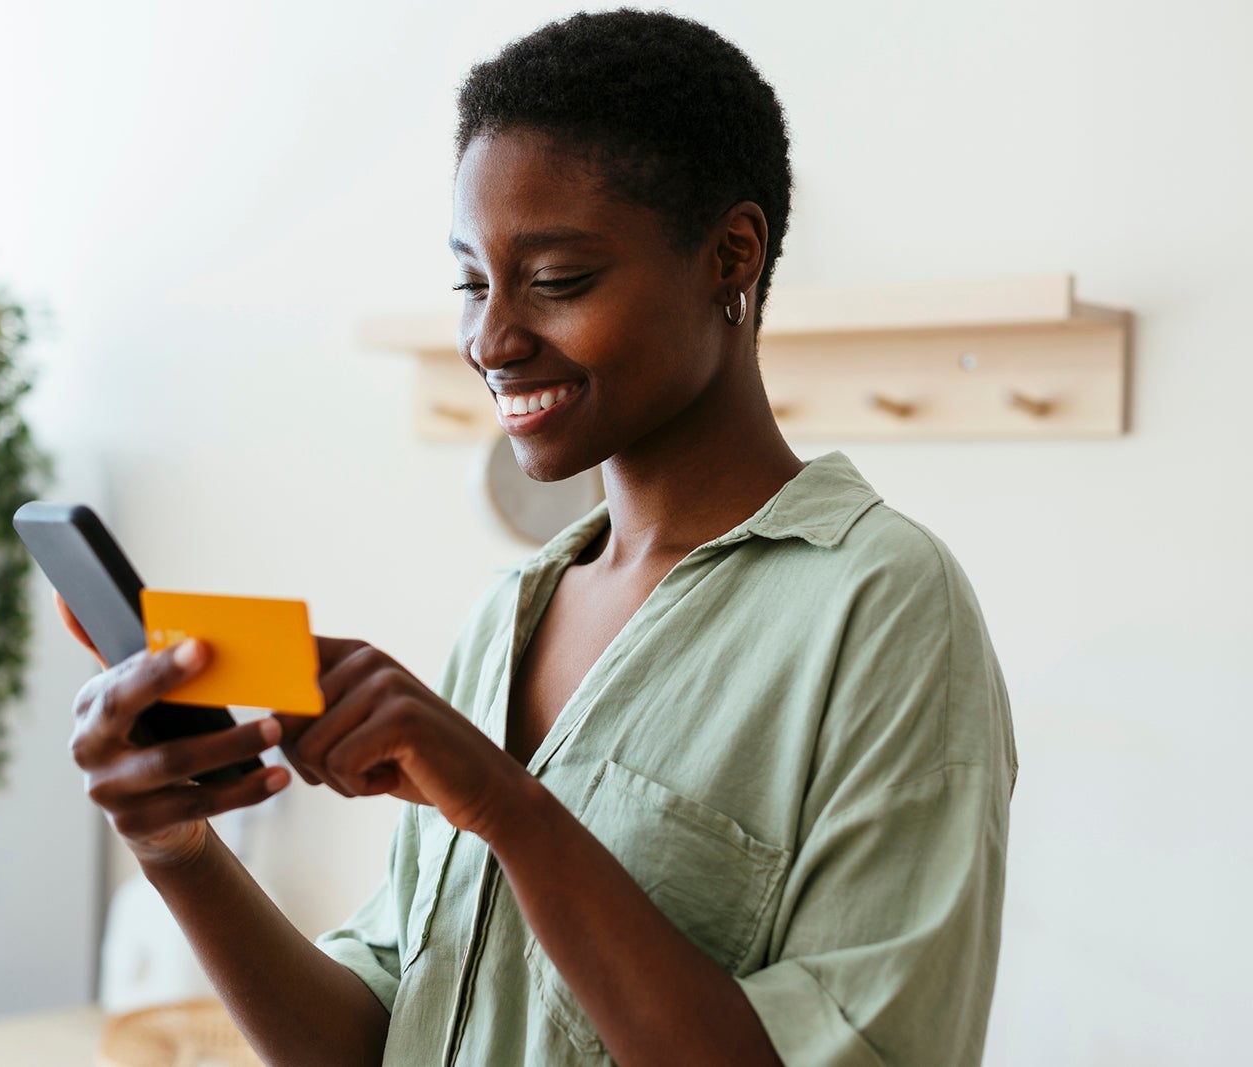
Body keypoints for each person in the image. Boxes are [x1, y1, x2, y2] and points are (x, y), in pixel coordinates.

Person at [60, 10, 1017, 1065]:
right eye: (473, 281)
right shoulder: (508, 616)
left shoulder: (880, 606)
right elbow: (376, 1042)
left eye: (555, 281)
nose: (490, 337)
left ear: (729, 256)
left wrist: (510, 808)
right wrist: (175, 844)